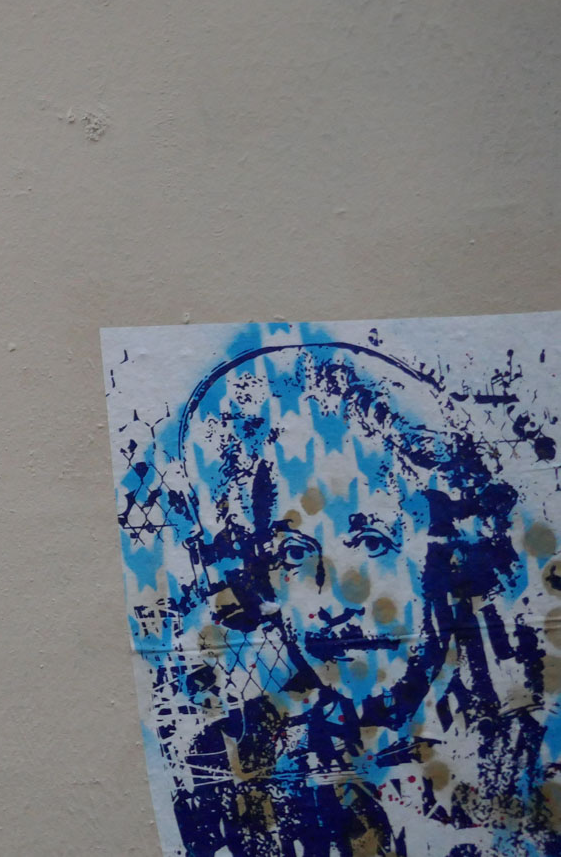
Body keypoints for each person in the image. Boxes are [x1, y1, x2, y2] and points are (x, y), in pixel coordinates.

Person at [166, 343, 557, 855]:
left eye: (374, 542)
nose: (334, 599)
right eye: (295, 552)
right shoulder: (231, 767)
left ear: (448, 551)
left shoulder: (535, 750)